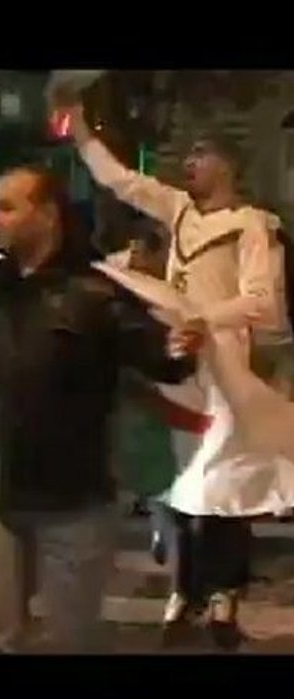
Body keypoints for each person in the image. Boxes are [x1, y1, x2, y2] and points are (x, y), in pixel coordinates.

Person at [0, 165, 198, 652]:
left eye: (6, 207)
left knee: (73, 640)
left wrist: (180, 347)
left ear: (47, 215)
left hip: (77, 503)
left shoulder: (95, 292)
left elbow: (161, 358)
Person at [64, 98, 288, 650]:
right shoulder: (180, 212)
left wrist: (201, 319)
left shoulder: (252, 226)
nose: (188, 163)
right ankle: (185, 588)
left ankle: (223, 593)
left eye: (200, 154)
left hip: (228, 367)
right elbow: (122, 181)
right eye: (187, 153)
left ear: (228, 166)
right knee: (176, 478)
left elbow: (262, 302)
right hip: (176, 360)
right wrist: (81, 133)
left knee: (225, 483)